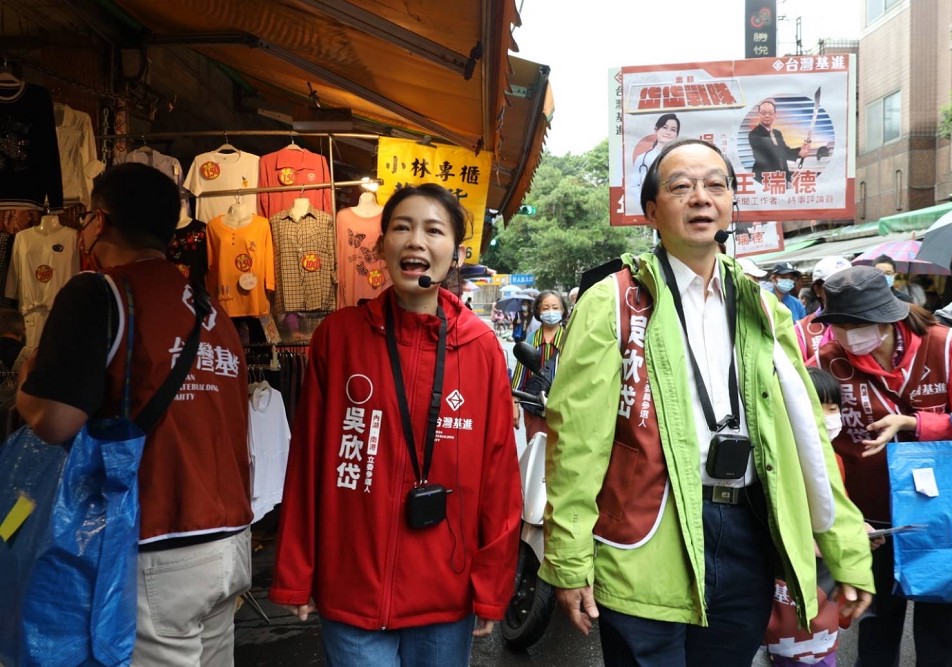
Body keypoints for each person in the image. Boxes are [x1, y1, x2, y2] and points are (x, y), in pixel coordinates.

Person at [540, 138, 873, 666]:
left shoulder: (763, 308)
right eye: (681, 187)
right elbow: (577, 443)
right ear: (651, 211)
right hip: (648, 531)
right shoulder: (615, 302)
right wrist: (568, 558)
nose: (700, 198)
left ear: (731, 204)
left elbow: (805, 436)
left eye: (715, 185)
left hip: (745, 531)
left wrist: (846, 550)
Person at [269, 183, 521, 667]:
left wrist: (491, 584)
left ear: (457, 252)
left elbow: (500, 477)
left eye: (434, 230)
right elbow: (307, 464)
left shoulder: (480, 346)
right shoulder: (339, 337)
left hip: (444, 596)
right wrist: (296, 570)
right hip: (351, 590)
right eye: (402, 228)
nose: (416, 242)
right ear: (382, 244)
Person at [16, 163, 252, 666]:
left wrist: (24, 382)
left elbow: (54, 421)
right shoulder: (212, 312)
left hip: (156, 544)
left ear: (101, 221)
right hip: (229, 543)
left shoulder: (98, 294)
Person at [810, 265, 952, 666]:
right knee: (876, 634)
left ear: (886, 317)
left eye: (854, 325)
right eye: (837, 326)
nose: (845, 336)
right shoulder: (827, 361)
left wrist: (915, 423)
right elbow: (809, 441)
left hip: (942, 515)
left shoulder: (941, 346)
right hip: (871, 520)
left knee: (944, 639)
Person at [764, 367, 885, 667]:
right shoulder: (777, 461)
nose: (828, 417)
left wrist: (858, 531)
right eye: (818, 408)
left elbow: (834, 514)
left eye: (834, 409)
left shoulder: (835, 460)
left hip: (822, 584)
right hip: (794, 582)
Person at [510, 290, 567, 440]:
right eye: (546, 308)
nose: (551, 311)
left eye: (555, 308)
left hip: (562, 411)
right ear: (538, 311)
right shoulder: (531, 339)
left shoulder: (570, 339)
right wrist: (514, 404)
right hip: (534, 408)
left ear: (562, 311)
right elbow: (519, 375)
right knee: (535, 455)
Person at [793, 255, 852, 361]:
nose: (846, 289)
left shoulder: (869, 319)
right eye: (837, 284)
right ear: (817, 290)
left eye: (851, 283)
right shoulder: (801, 331)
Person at [748, 100, 810, 184]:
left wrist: (800, 150)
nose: (767, 115)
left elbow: (784, 150)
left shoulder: (777, 133)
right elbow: (773, 151)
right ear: (759, 114)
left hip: (781, 177)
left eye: (770, 113)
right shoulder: (754, 134)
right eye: (763, 112)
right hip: (764, 178)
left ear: (775, 115)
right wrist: (798, 153)